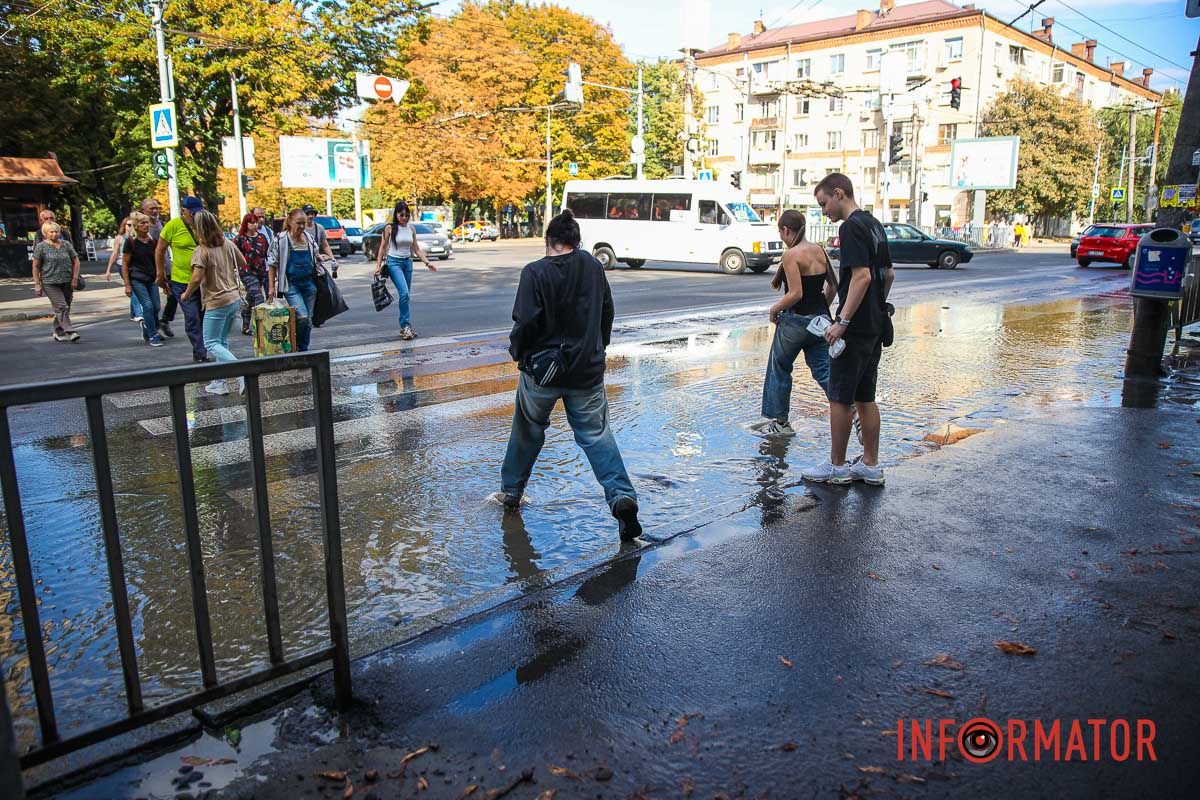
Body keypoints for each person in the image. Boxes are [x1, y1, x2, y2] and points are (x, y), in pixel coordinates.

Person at [495, 209, 641, 541]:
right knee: (597, 435)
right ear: (576, 242)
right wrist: (598, 349)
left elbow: (525, 322)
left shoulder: (534, 272)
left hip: (541, 374)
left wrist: (519, 353)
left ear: (550, 241)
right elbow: (607, 311)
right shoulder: (594, 266)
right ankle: (621, 498)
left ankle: (512, 493)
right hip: (586, 373)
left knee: (527, 431)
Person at [802, 173, 893, 486]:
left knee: (840, 398)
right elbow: (888, 275)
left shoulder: (850, 227)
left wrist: (842, 321)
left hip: (853, 329)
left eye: (824, 203)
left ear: (838, 194)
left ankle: (836, 466)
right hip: (876, 324)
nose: (823, 211)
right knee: (865, 396)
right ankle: (870, 464)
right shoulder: (874, 225)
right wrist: (872, 310)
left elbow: (862, 277)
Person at [755, 209, 838, 437]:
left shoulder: (791, 255)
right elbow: (833, 285)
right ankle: (849, 407)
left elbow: (796, 293)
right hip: (820, 320)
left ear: (785, 230)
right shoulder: (819, 250)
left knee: (779, 368)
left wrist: (774, 310)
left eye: (781, 232)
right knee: (823, 370)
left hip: (795, 321)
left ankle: (781, 423)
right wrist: (821, 310)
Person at [182, 210, 247, 394]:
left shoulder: (201, 250)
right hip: (233, 298)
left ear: (198, 229)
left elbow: (196, 278)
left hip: (216, 301)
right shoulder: (227, 243)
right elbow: (242, 262)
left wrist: (186, 294)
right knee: (221, 341)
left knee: (211, 343)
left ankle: (241, 373)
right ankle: (220, 382)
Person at [373, 200, 437, 341]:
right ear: (396, 215)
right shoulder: (389, 228)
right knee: (404, 293)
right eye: (401, 215)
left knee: (406, 297)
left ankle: (405, 327)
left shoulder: (411, 229)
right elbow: (382, 248)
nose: (404, 218)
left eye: (406, 215)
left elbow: (416, 249)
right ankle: (406, 325)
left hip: (407, 263)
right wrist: (378, 267)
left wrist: (427, 263)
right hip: (393, 263)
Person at [156, 196, 208, 362]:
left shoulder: (204, 223)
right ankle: (201, 353)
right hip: (181, 281)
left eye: (197, 213)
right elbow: (160, 250)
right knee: (192, 316)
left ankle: (200, 349)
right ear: (183, 211)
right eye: (191, 213)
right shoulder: (173, 226)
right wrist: (161, 274)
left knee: (203, 317)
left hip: (204, 281)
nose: (194, 216)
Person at [267, 208, 321, 352]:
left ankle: (303, 350)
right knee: (302, 316)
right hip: (291, 285)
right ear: (290, 222)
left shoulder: (309, 238)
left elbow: (316, 256)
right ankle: (295, 344)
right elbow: (272, 264)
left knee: (308, 320)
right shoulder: (281, 240)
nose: (302, 226)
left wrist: (321, 258)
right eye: (299, 223)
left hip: (309, 284)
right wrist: (271, 287)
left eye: (304, 223)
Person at [31, 222, 81, 342]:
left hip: (67, 281)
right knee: (62, 306)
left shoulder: (66, 244)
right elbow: (36, 266)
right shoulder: (41, 247)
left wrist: (74, 278)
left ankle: (58, 331)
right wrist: (37, 284)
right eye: (51, 232)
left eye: (56, 231)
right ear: (45, 233)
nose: (54, 234)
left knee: (65, 307)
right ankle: (70, 331)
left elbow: (76, 261)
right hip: (50, 282)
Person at [121, 212, 164, 347]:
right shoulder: (131, 242)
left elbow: (158, 260)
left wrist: (161, 277)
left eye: (147, 223)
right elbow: (125, 264)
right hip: (137, 279)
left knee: (156, 307)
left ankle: (148, 327)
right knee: (148, 306)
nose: (146, 225)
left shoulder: (153, 242)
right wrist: (127, 285)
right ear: (136, 226)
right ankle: (153, 335)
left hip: (152, 279)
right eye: (142, 223)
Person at [234, 212, 270, 335]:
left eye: (256, 222)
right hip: (246, 272)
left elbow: (267, 255)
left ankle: (245, 325)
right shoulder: (240, 239)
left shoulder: (262, 238)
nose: (255, 225)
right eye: (252, 222)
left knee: (251, 299)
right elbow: (234, 256)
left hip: (260, 271)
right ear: (246, 224)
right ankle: (262, 326)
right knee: (259, 297)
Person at [106, 216, 144, 323]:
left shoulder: (136, 237)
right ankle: (138, 313)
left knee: (134, 288)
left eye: (132, 225)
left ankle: (133, 313)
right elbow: (115, 253)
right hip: (121, 264)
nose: (130, 227)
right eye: (128, 225)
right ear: (124, 226)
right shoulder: (120, 238)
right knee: (133, 288)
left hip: (134, 265)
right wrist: (108, 269)